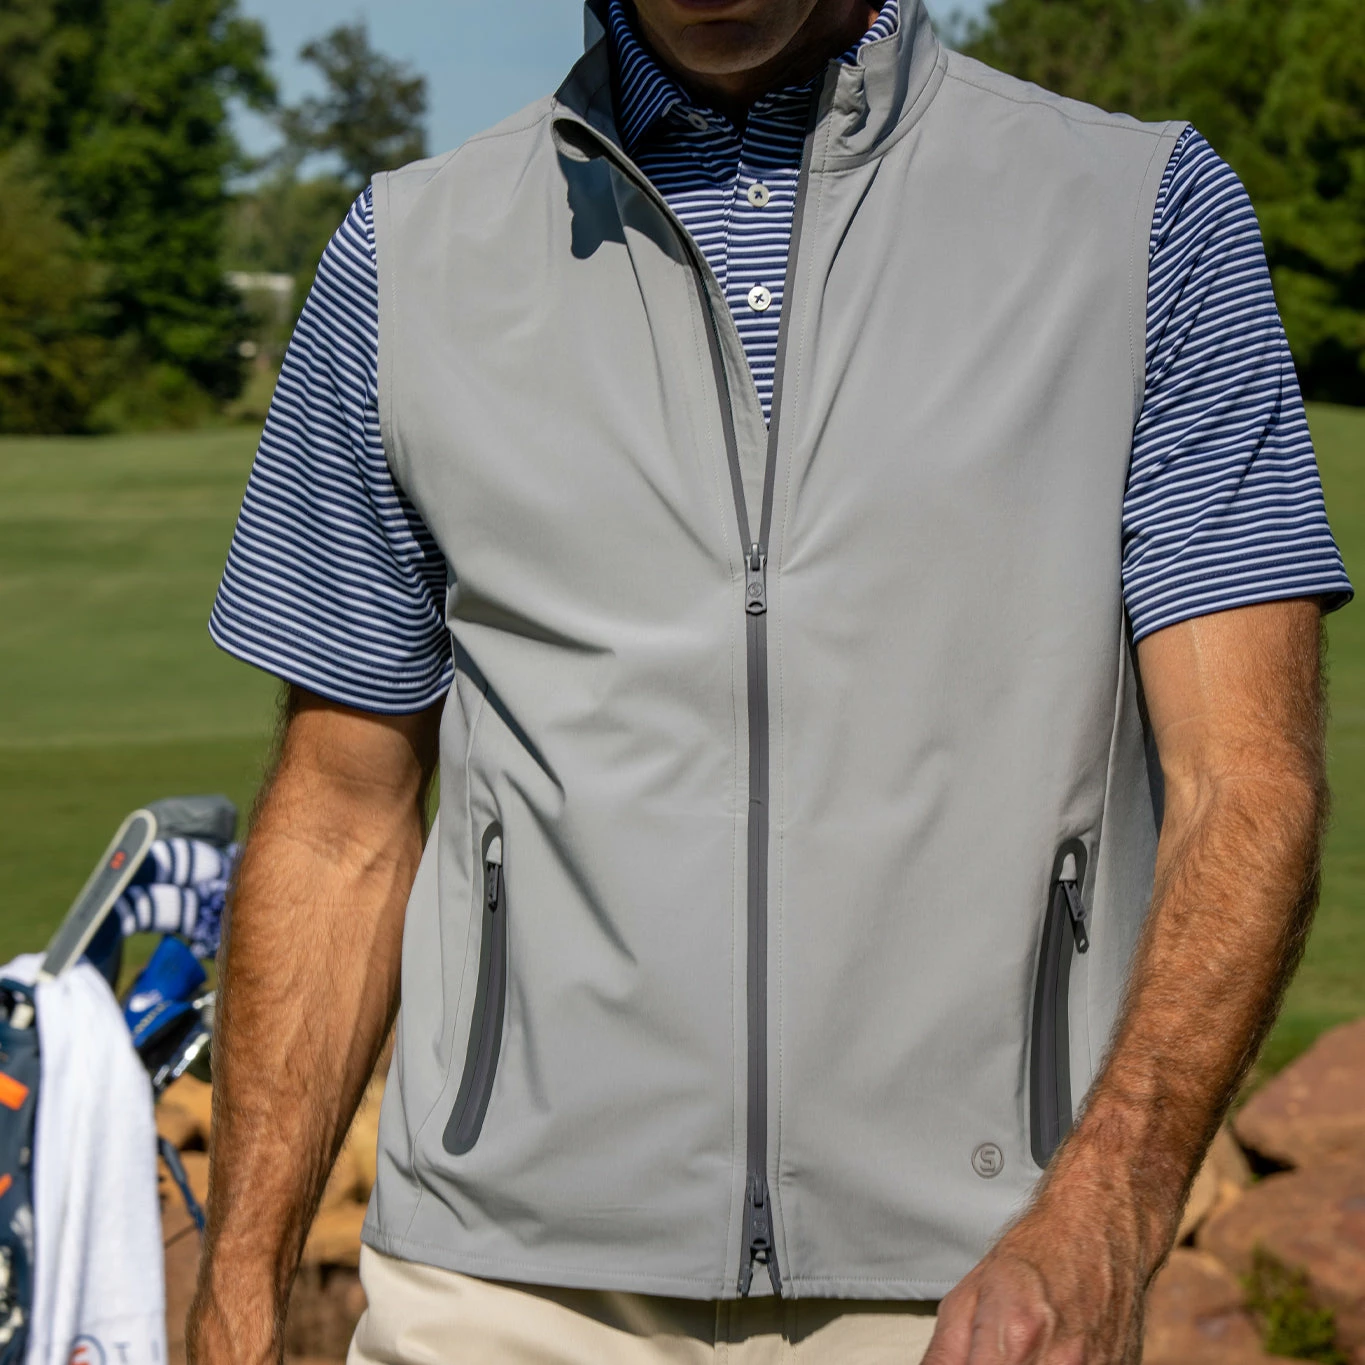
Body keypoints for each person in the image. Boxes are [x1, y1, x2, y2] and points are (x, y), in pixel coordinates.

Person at [189, 0, 1353, 1360]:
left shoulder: (1139, 216)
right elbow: (341, 823)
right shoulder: (406, 255)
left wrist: (1108, 1203)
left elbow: (1243, 781)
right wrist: (239, 1294)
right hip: (501, 1290)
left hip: (973, 1288)